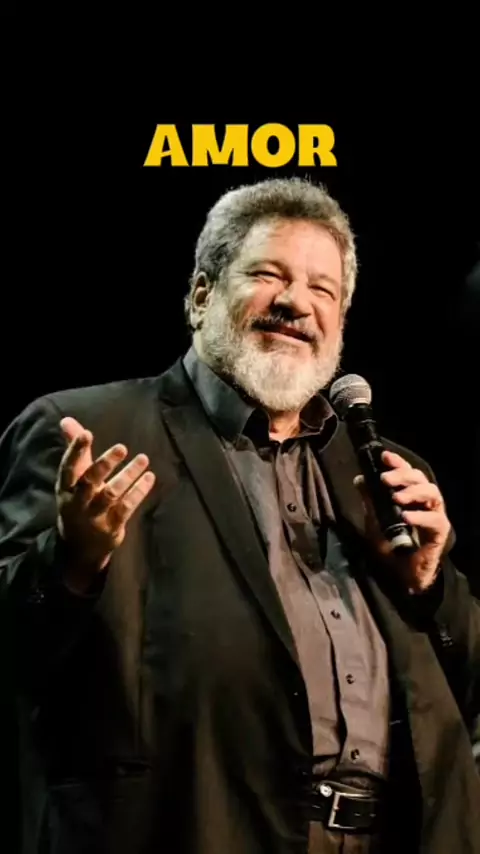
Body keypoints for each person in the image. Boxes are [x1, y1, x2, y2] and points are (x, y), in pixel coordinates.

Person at [0, 178, 479, 854]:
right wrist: (72, 559)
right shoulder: (90, 433)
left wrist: (430, 584)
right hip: (190, 828)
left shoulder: (388, 475)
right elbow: (15, 653)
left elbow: (466, 688)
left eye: (322, 289)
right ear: (201, 295)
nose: (295, 302)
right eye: (268, 275)